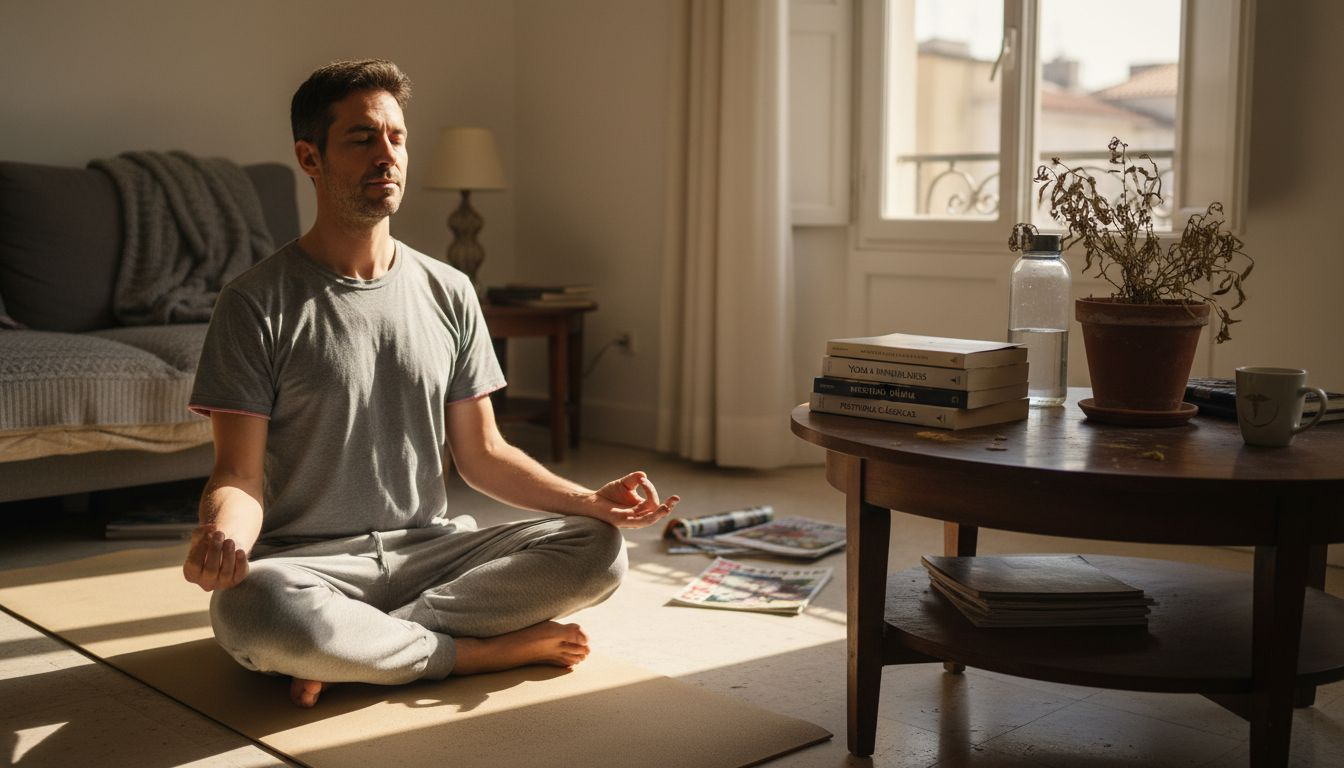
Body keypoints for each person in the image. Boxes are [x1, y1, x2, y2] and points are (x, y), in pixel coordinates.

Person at [182, 59, 679, 709]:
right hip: (310, 567)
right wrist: (225, 540)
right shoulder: (254, 303)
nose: (386, 154)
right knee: (251, 610)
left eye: (397, 137)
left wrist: (590, 501)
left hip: (433, 552)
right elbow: (239, 477)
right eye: (362, 138)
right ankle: (467, 653)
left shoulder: (449, 290)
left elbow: (484, 454)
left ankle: (366, 650)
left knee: (600, 551)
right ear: (310, 157)